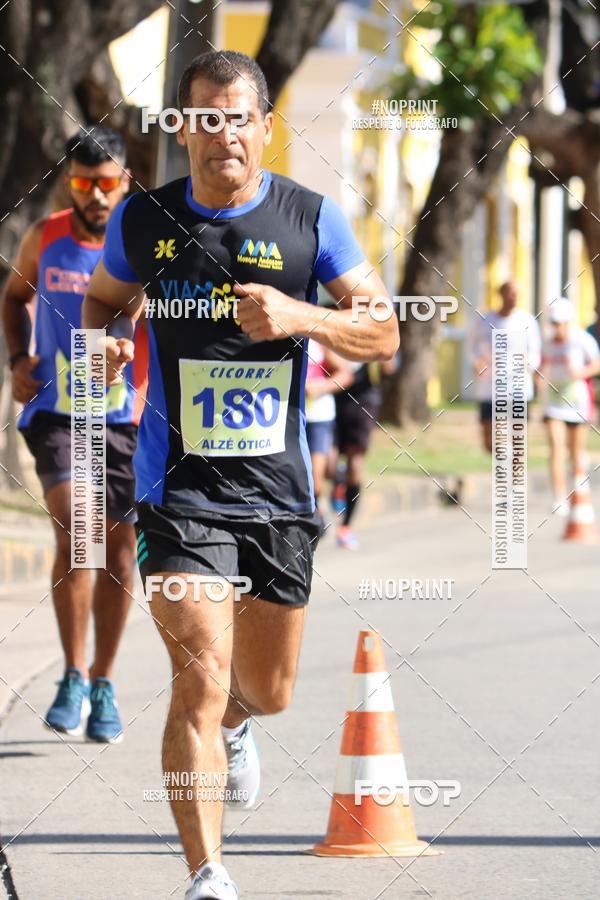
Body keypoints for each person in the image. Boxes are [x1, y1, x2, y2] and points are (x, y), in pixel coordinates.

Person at [82, 50, 398, 900]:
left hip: (277, 495)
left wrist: (298, 315)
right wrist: (104, 344)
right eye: (206, 117)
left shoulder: (310, 219)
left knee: (266, 690)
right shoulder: (142, 220)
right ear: (184, 128)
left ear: (264, 127)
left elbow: (384, 330)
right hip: (177, 491)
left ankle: (239, 723)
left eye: (238, 118)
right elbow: (102, 301)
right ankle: (207, 873)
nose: (223, 133)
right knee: (198, 675)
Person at [2, 128, 147, 743]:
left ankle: (103, 682)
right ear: (70, 182)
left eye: (107, 182)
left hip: (125, 419)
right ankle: (71, 673)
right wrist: (18, 359)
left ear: (125, 181)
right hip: (59, 413)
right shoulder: (46, 236)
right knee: (76, 526)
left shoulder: (143, 243)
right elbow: (13, 298)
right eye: (84, 183)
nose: (96, 195)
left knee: (120, 555)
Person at [538, 297, 600, 515]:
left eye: (560, 323)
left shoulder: (582, 340)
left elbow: (596, 364)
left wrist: (580, 373)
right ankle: (559, 497)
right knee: (556, 447)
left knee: (575, 452)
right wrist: (539, 379)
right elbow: (542, 366)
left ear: (568, 321)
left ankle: (579, 485)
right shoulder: (547, 343)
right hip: (553, 404)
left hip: (578, 403)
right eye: (554, 324)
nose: (557, 328)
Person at [469, 280, 541, 452]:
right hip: (490, 387)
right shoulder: (484, 320)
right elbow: (471, 348)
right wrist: (477, 363)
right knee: (491, 441)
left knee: (518, 439)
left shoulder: (527, 321)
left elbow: (536, 353)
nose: (513, 297)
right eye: (510, 293)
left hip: (518, 387)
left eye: (516, 294)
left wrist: (527, 362)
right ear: (501, 294)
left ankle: (511, 465)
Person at [331, 358, 395, 549]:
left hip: (364, 401)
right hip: (333, 396)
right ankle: (339, 479)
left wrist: (383, 361)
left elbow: (389, 364)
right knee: (328, 463)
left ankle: (346, 526)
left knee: (355, 462)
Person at [305, 338, 352, 523]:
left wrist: (320, 387)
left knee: (316, 478)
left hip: (319, 417)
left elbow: (346, 374)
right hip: (291, 418)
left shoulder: (318, 342)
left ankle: (317, 510)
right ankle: (313, 513)